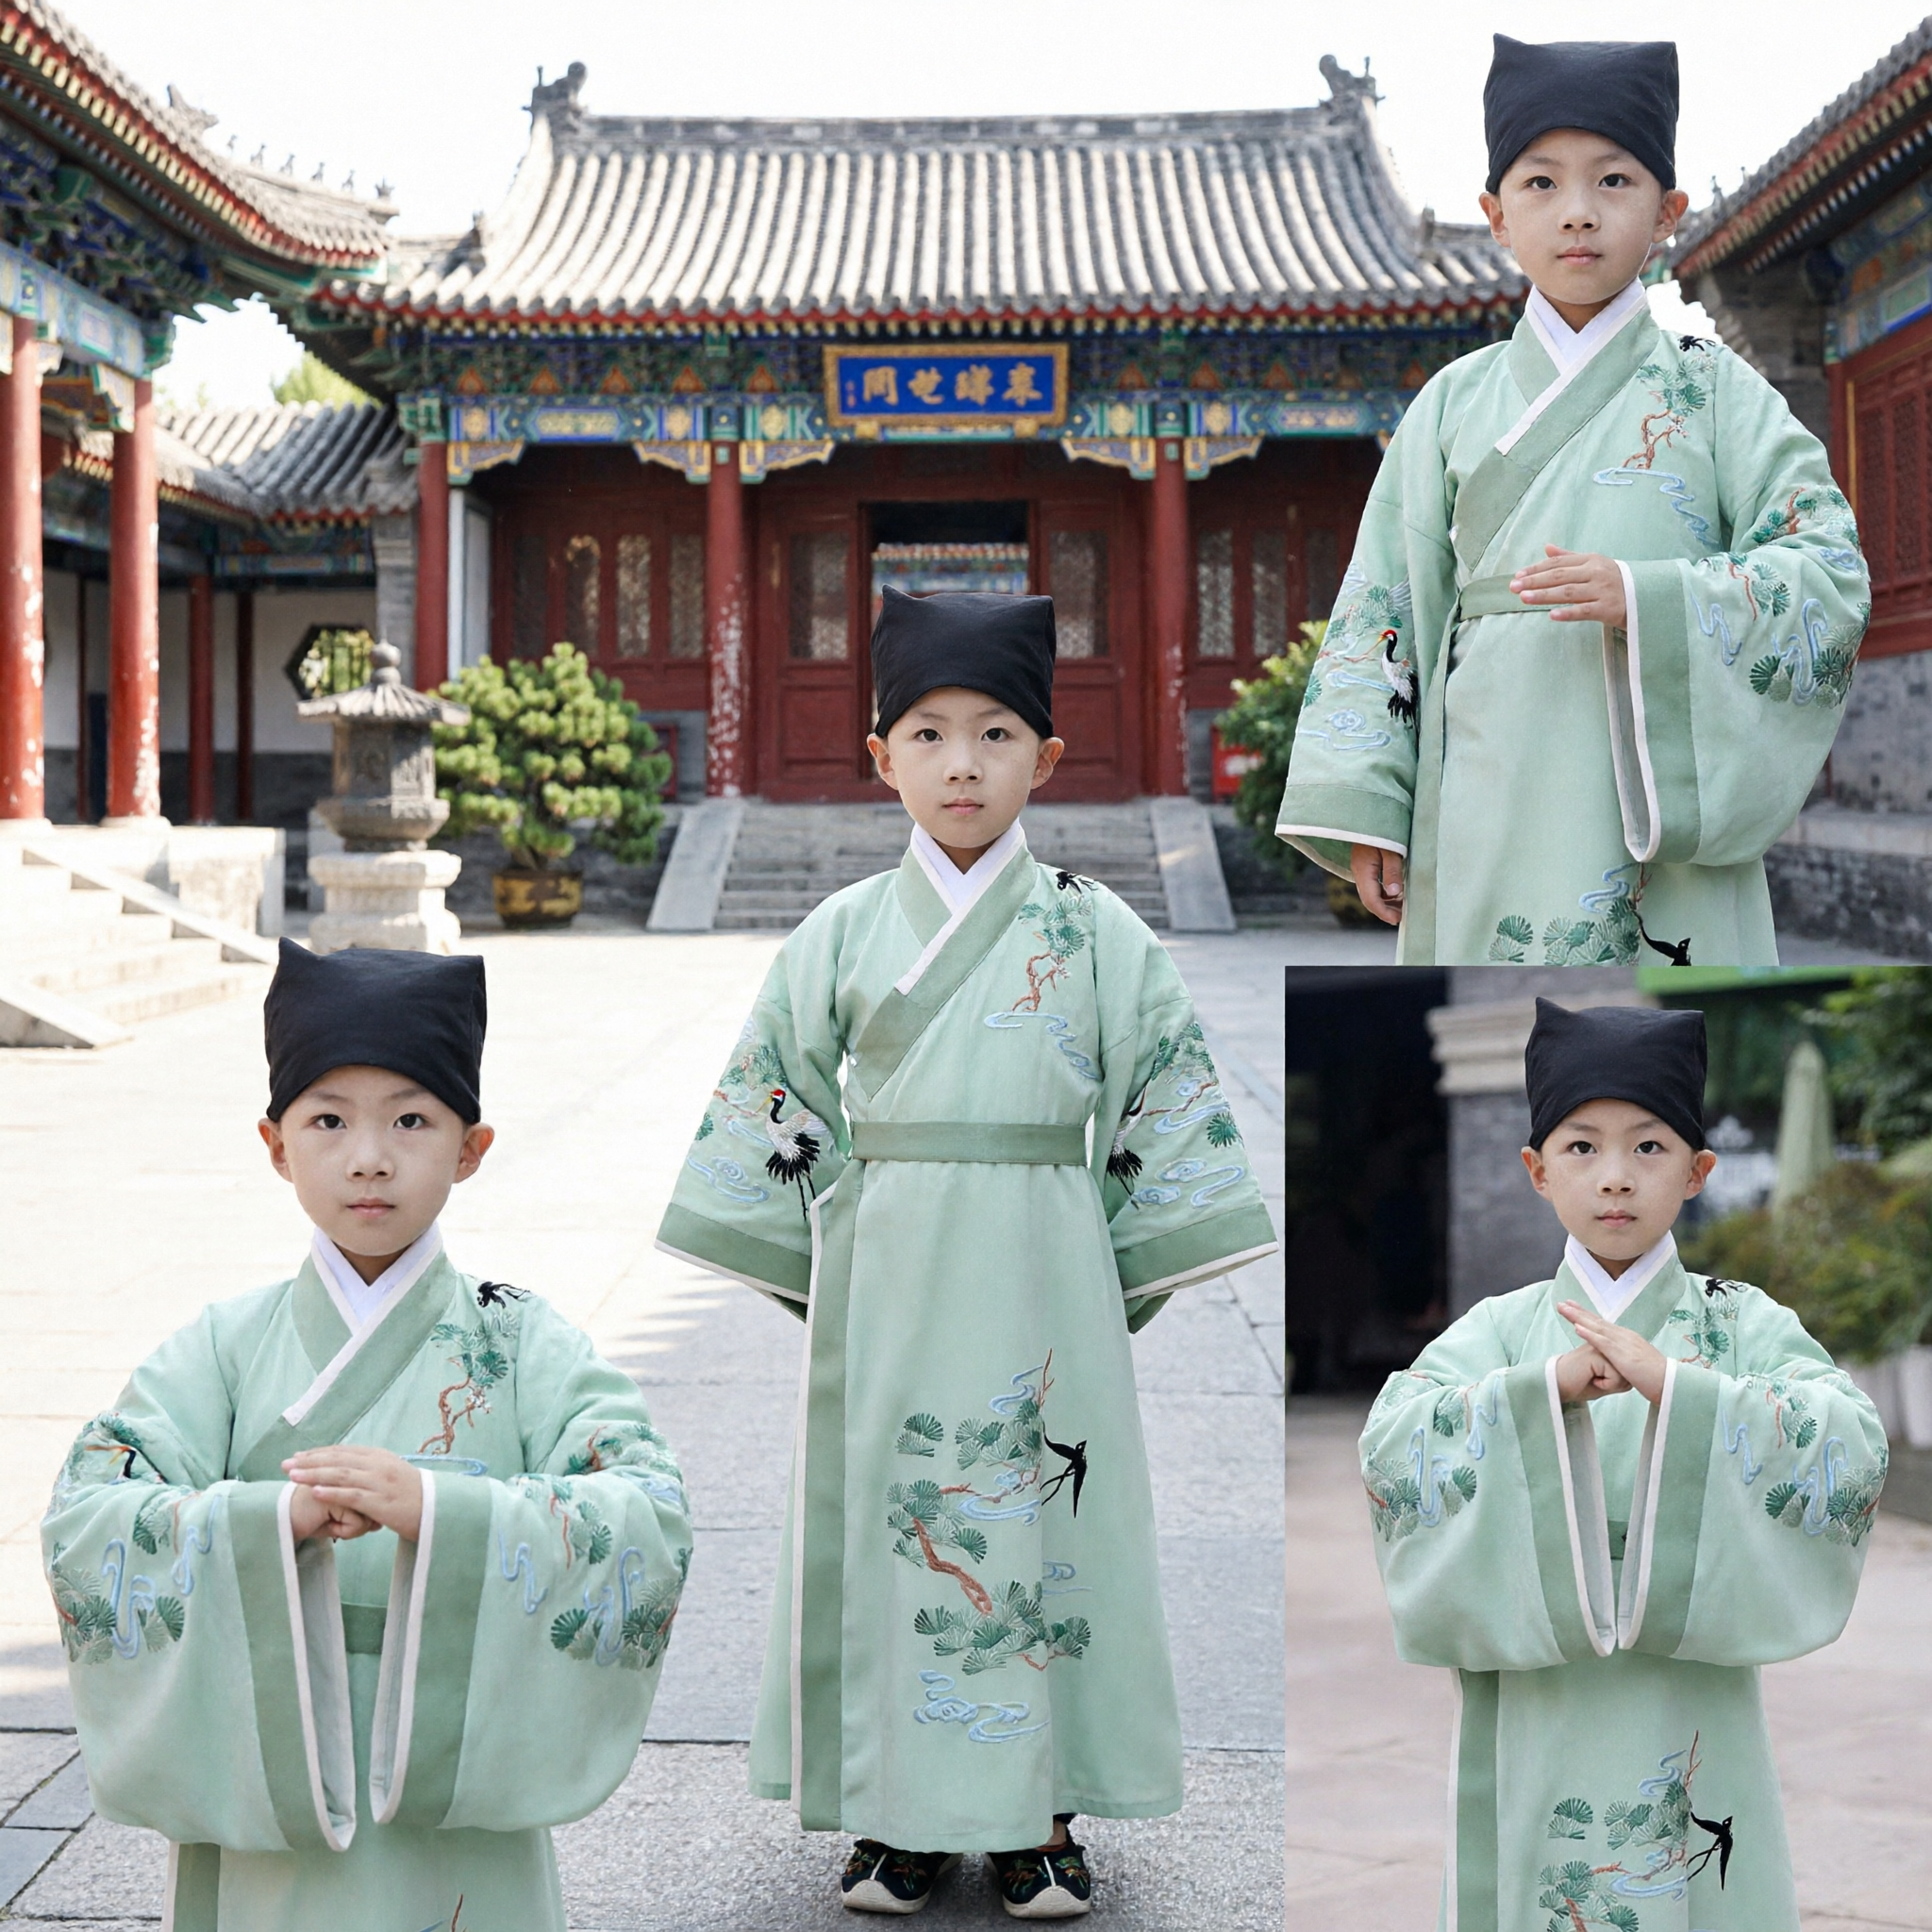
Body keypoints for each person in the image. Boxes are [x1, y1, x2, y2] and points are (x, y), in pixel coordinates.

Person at [656, 586, 1277, 1919]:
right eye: (927, 734)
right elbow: (775, 1103)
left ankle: (1042, 1817)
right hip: (886, 1275)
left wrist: (1106, 1273)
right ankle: (898, 1818)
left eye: (996, 734)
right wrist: (824, 1268)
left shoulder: (1100, 934)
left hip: (1044, 1272)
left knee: (1049, 1529)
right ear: (879, 756)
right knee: (898, 1533)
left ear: (1045, 760)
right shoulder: (834, 938)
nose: (961, 764)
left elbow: (1166, 1101)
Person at [42, 943, 692, 1932]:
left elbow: (648, 1503)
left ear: (471, 1147)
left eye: (412, 1118)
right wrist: (268, 1521)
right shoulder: (224, 1342)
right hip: (272, 1765)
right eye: (329, 1119)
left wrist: (444, 1511)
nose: (369, 1156)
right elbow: (91, 1509)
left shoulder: (521, 1339)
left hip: (459, 1761)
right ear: (274, 1143)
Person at [1274, 36, 1870, 967]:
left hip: (1658, 799)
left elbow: (1825, 565)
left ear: (1666, 211)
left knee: (1667, 1020)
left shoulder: (1720, 395)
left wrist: (1649, 597)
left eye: (1614, 182)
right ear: (1494, 215)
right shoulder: (1449, 403)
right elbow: (1381, 604)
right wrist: (1370, 802)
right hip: (1488, 776)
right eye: (1540, 184)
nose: (1578, 213)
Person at [1362, 998, 1886, 1930]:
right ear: (1533, 1169)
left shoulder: (1741, 1321)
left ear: (1698, 1170)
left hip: (1687, 1668)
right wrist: (1541, 1391)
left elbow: (1847, 1439)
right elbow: (1394, 1440)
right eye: (1580, 1147)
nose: (1613, 1178)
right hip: (1542, 1669)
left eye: (1647, 1148)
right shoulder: (1502, 1327)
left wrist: (1684, 1392)